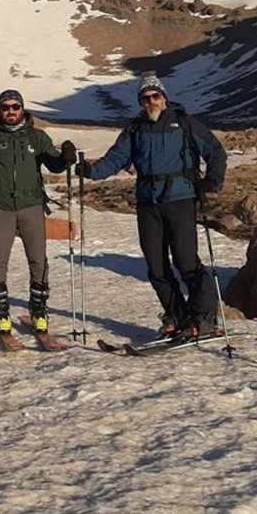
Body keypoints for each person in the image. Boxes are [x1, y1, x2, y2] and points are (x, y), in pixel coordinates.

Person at [77, 73, 228, 338]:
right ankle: (178, 318)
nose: (151, 102)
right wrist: (89, 171)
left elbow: (215, 151)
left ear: (164, 97)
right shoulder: (135, 129)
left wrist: (212, 180)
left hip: (180, 199)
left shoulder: (184, 123)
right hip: (148, 202)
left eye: (155, 96)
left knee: (186, 262)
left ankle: (204, 318)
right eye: (145, 98)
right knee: (156, 267)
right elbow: (115, 159)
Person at [0, 89, 75, 338]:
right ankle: (0, 311)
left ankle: (38, 310)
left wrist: (65, 158)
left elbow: (54, 163)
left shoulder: (37, 136)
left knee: (38, 260)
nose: (10, 111)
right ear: (0, 111)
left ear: (22, 108)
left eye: (15, 106)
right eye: (5, 107)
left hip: (31, 204)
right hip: (0, 206)